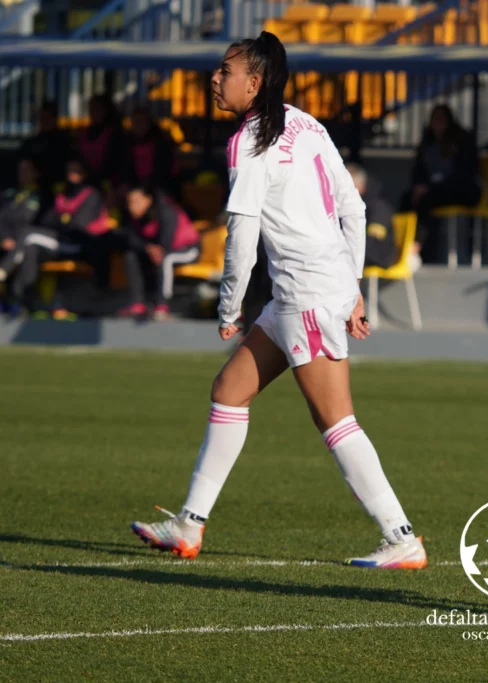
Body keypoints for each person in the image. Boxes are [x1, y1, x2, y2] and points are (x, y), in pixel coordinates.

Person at [130, 32, 426, 569]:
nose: (215, 79)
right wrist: (352, 288)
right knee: (229, 389)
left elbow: (241, 233)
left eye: (225, 71)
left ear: (255, 81)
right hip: (313, 289)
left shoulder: (248, 141)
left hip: (305, 294)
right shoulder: (307, 123)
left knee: (335, 421)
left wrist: (228, 306)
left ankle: (401, 536)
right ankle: (188, 526)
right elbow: (352, 210)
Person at [9, 158, 111, 319]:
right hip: (60, 242)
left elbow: (78, 225)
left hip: (80, 245)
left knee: (29, 234)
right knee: (30, 248)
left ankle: (4, 270)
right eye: (69, 171)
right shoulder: (63, 195)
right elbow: (48, 220)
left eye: (76, 171)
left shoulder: (91, 194)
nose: (72, 175)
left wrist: (62, 219)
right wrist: (63, 219)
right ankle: (24, 301)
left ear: (84, 173)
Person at [400, 104, 482, 262]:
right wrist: (419, 186)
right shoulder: (427, 143)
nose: (438, 124)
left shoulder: (462, 141)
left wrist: (429, 187)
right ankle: (401, 244)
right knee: (407, 198)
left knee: (426, 200)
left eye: (441, 120)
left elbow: (464, 175)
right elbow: (418, 170)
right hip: (432, 191)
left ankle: (418, 248)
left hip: (461, 191)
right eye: (434, 119)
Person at [108, 184, 200, 320]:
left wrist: (153, 250)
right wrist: (148, 248)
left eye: (136, 202)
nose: (132, 206)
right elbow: (131, 239)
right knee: (131, 256)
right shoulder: (135, 217)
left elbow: (167, 242)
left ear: (148, 200)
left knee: (166, 258)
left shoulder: (165, 211)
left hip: (187, 250)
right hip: (158, 251)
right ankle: (137, 304)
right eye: (129, 202)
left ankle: (162, 306)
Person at [0, 158, 44, 313]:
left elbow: (36, 223)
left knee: (27, 251)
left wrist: (15, 240)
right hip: (6, 241)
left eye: (27, 170)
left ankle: (21, 302)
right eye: (20, 170)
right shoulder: (9, 194)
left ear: (36, 173)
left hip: (28, 242)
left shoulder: (42, 195)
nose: (22, 174)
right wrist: (4, 238)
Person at [347, 162, 396, 269]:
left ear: (361, 186)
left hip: (378, 255)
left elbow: (373, 240)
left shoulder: (379, 207)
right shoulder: (350, 205)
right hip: (359, 251)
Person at [17, 101, 71, 193]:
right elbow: (22, 160)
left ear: (55, 119)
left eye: (46, 118)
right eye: (40, 118)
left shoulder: (65, 141)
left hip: (57, 186)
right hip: (33, 188)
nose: (43, 121)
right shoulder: (31, 142)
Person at [122, 109, 177, 191]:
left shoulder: (160, 142)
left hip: (160, 187)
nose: (139, 125)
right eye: (136, 122)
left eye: (142, 121)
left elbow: (165, 170)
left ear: (149, 123)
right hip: (134, 187)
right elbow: (125, 170)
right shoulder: (126, 143)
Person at [78, 94, 124, 192]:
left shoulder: (115, 133)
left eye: (97, 109)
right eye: (91, 109)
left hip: (108, 185)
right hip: (86, 182)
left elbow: (114, 164)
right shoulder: (85, 133)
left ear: (106, 111)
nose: (93, 112)